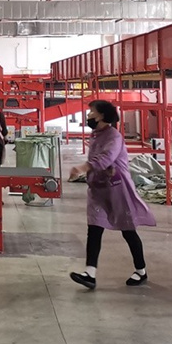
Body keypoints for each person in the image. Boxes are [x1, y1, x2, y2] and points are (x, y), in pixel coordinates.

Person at [69, 99, 156, 290]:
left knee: (127, 229)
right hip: (98, 188)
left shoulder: (114, 136)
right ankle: (90, 273)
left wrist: (82, 168)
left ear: (101, 115)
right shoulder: (96, 135)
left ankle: (141, 270)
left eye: (92, 111)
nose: (89, 115)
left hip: (117, 189)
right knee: (94, 227)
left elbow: (105, 158)